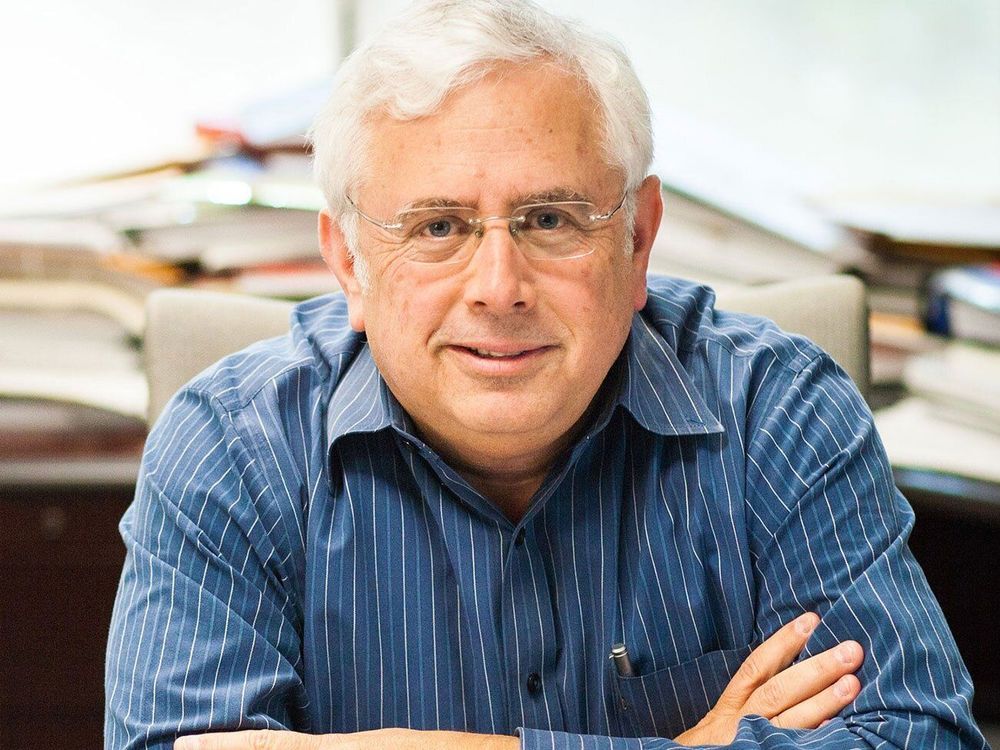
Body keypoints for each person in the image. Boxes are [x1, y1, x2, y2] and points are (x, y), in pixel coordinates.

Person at [105, 1, 989, 748]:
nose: (499, 289)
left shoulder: (778, 413)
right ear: (348, 263)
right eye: (438, 227)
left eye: (550, 219)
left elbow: (916, 735)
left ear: (638, 239)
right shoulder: (230, 448)